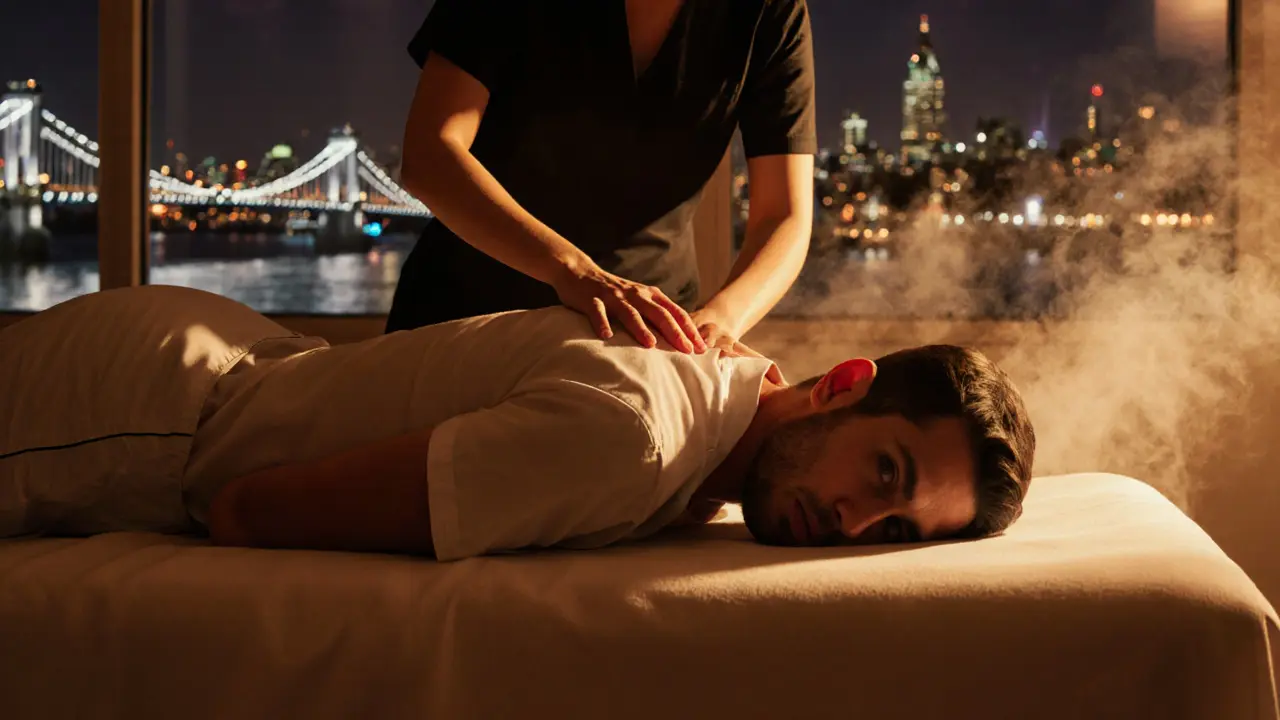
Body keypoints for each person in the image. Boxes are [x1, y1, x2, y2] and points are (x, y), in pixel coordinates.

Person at [0, 286, 1036, 561]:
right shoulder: (635, 437)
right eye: (885, 476)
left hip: (226, 357)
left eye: (893, 534)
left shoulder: (710, 414)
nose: (852, 526)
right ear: (841, 383)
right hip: (141, 410)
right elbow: (246, 510)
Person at [387, 0, 819, 360]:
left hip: (641, 342)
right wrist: (570, 270)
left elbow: (784, 215)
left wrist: (720, 321)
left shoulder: (770, 10)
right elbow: (430, 155)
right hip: (464, 321)